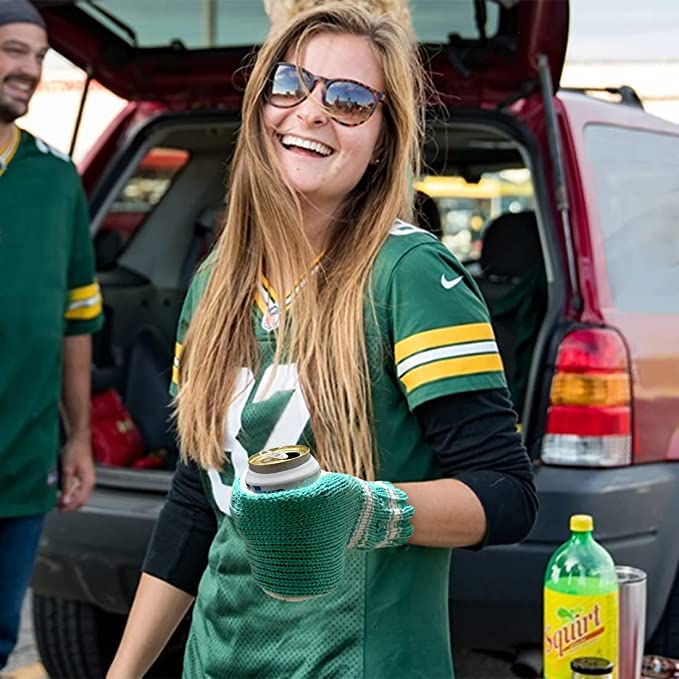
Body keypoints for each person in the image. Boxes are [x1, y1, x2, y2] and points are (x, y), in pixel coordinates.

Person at [107, 4, 537, 678]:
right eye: (289, 83)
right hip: (215, 661)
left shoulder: (409, 275)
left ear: (384, 140)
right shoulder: (215, 282)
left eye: (348, 100)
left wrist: (367, 509)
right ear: (258, 104)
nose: (309, 112)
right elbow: (197, 499)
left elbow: (505, 494)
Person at [0, 0, 103, 668]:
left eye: (40, 56)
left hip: (21, 459)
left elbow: (76, 320)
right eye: (13, 50)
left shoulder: (57, 177)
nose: (30, 70)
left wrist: (79, 437)